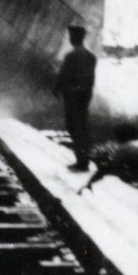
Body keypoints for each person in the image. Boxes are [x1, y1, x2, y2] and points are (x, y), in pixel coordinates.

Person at [55, 24, 99, 170]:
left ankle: (81, 161)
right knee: (82, 126)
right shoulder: (91, 56)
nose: (71, 39)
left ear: (75, 38)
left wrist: (57, 88)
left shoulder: (71, 55)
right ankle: (84, 159)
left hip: (72, 96)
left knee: (73, 126)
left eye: (72, 37)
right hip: (85, 96)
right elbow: (91, 78)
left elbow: (63, 74)